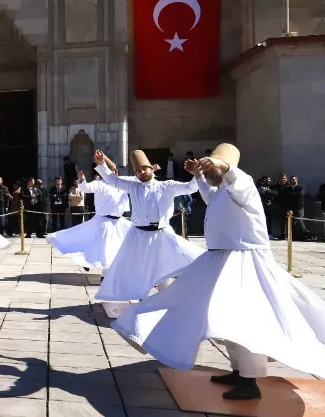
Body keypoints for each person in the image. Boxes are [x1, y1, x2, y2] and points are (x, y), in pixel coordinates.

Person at [114, 145, 325, 400]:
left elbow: (239, 179)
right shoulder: (221, 192)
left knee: (244, 319)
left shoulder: (242, 187)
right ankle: (238, 371)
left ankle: (250, 379)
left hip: (245, 262)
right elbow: (208, 193)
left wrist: (222, 166)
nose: (210, 174)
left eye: (214, 169)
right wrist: (199, 175)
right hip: (223, 259)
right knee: (224, 318)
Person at [93, 149, 204, 317]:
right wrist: (102, 164)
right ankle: (141, 298)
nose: (141, 172)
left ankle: (168, 301)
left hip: (162, 234)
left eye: (144, 169)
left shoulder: (168, 186)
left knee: (164, 266)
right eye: (138, 170)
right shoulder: (133, 186)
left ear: (152, 169)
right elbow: (112, 180)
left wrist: (196, 173)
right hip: (139, 236)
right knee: (140, 268)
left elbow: (190, 188)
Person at [47, 168, 131, 277]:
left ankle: (102, 267)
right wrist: (82, 179)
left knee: (122, 245)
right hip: (104, 221)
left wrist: (150, 169)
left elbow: (137, 180)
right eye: (110, 171)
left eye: (115, 171)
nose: (113, 173)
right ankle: (105, 274)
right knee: (106, 246)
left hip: (119, 221)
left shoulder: (122, 183)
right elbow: (86, 188)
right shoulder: (99, 183)